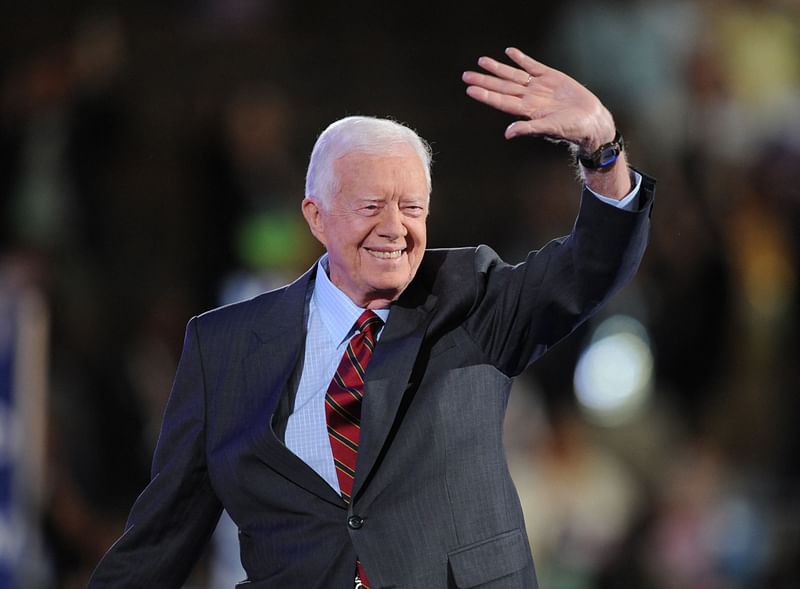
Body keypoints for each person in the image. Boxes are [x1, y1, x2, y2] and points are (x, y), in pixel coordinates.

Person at [89, 47, 654, 588]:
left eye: (412, 207)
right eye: (370, 206)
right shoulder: (223, 349)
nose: (395, 227)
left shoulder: (473, 301)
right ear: (316, 216)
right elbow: (159, 541)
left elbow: (589, 268)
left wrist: (602, 150)